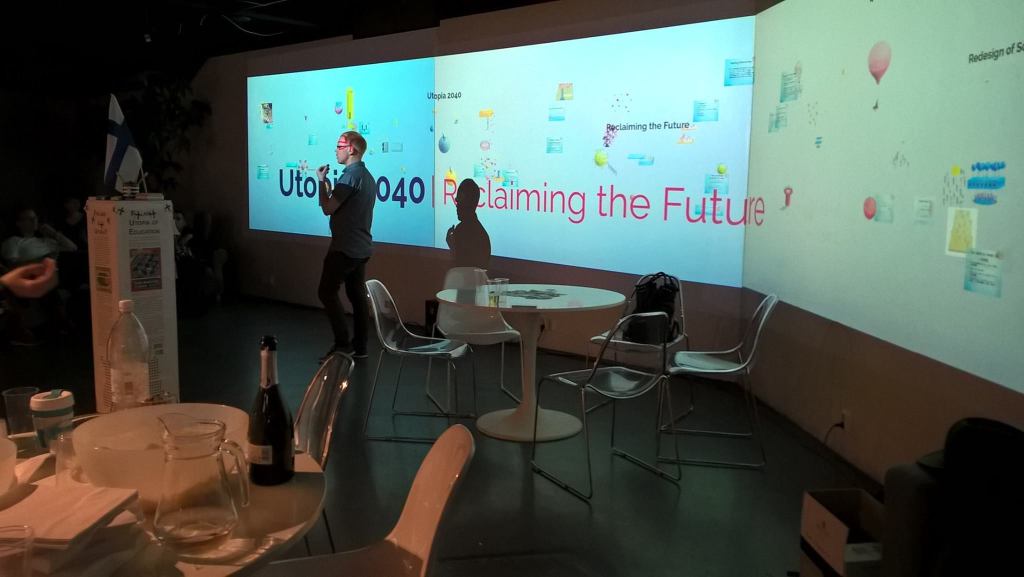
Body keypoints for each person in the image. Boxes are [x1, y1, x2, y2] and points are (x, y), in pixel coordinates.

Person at [315, 131, 375, 360]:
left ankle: (342, 344)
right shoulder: (367, 177)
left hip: (344, 248)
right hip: (361, 248)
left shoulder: (350, 177)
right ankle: (360, 347)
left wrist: (321, 182)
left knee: (326, 292)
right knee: (356, 295)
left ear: (351, 150)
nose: (336, 150)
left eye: (340, 146)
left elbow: (327, 208)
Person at [445, 178, 491, 269]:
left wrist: (453, 248)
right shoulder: (483, 234)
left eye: (460, 201)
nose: (457, 206)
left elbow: (461, 270)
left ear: (467, 203)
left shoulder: (461, 232)